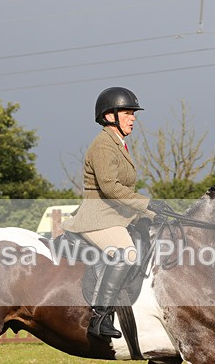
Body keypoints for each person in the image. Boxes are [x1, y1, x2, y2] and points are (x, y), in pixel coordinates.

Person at [61, 86, 169, 339]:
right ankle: (100, 317)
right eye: (128, 112)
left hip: (115, 216)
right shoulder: (104, 145)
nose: (133, 118)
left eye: (134, 113)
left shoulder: (117, 144)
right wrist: (147, 204)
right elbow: (110, 187)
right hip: (98, 218)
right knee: (125, 254)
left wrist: (155, 213)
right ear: (110, 116)